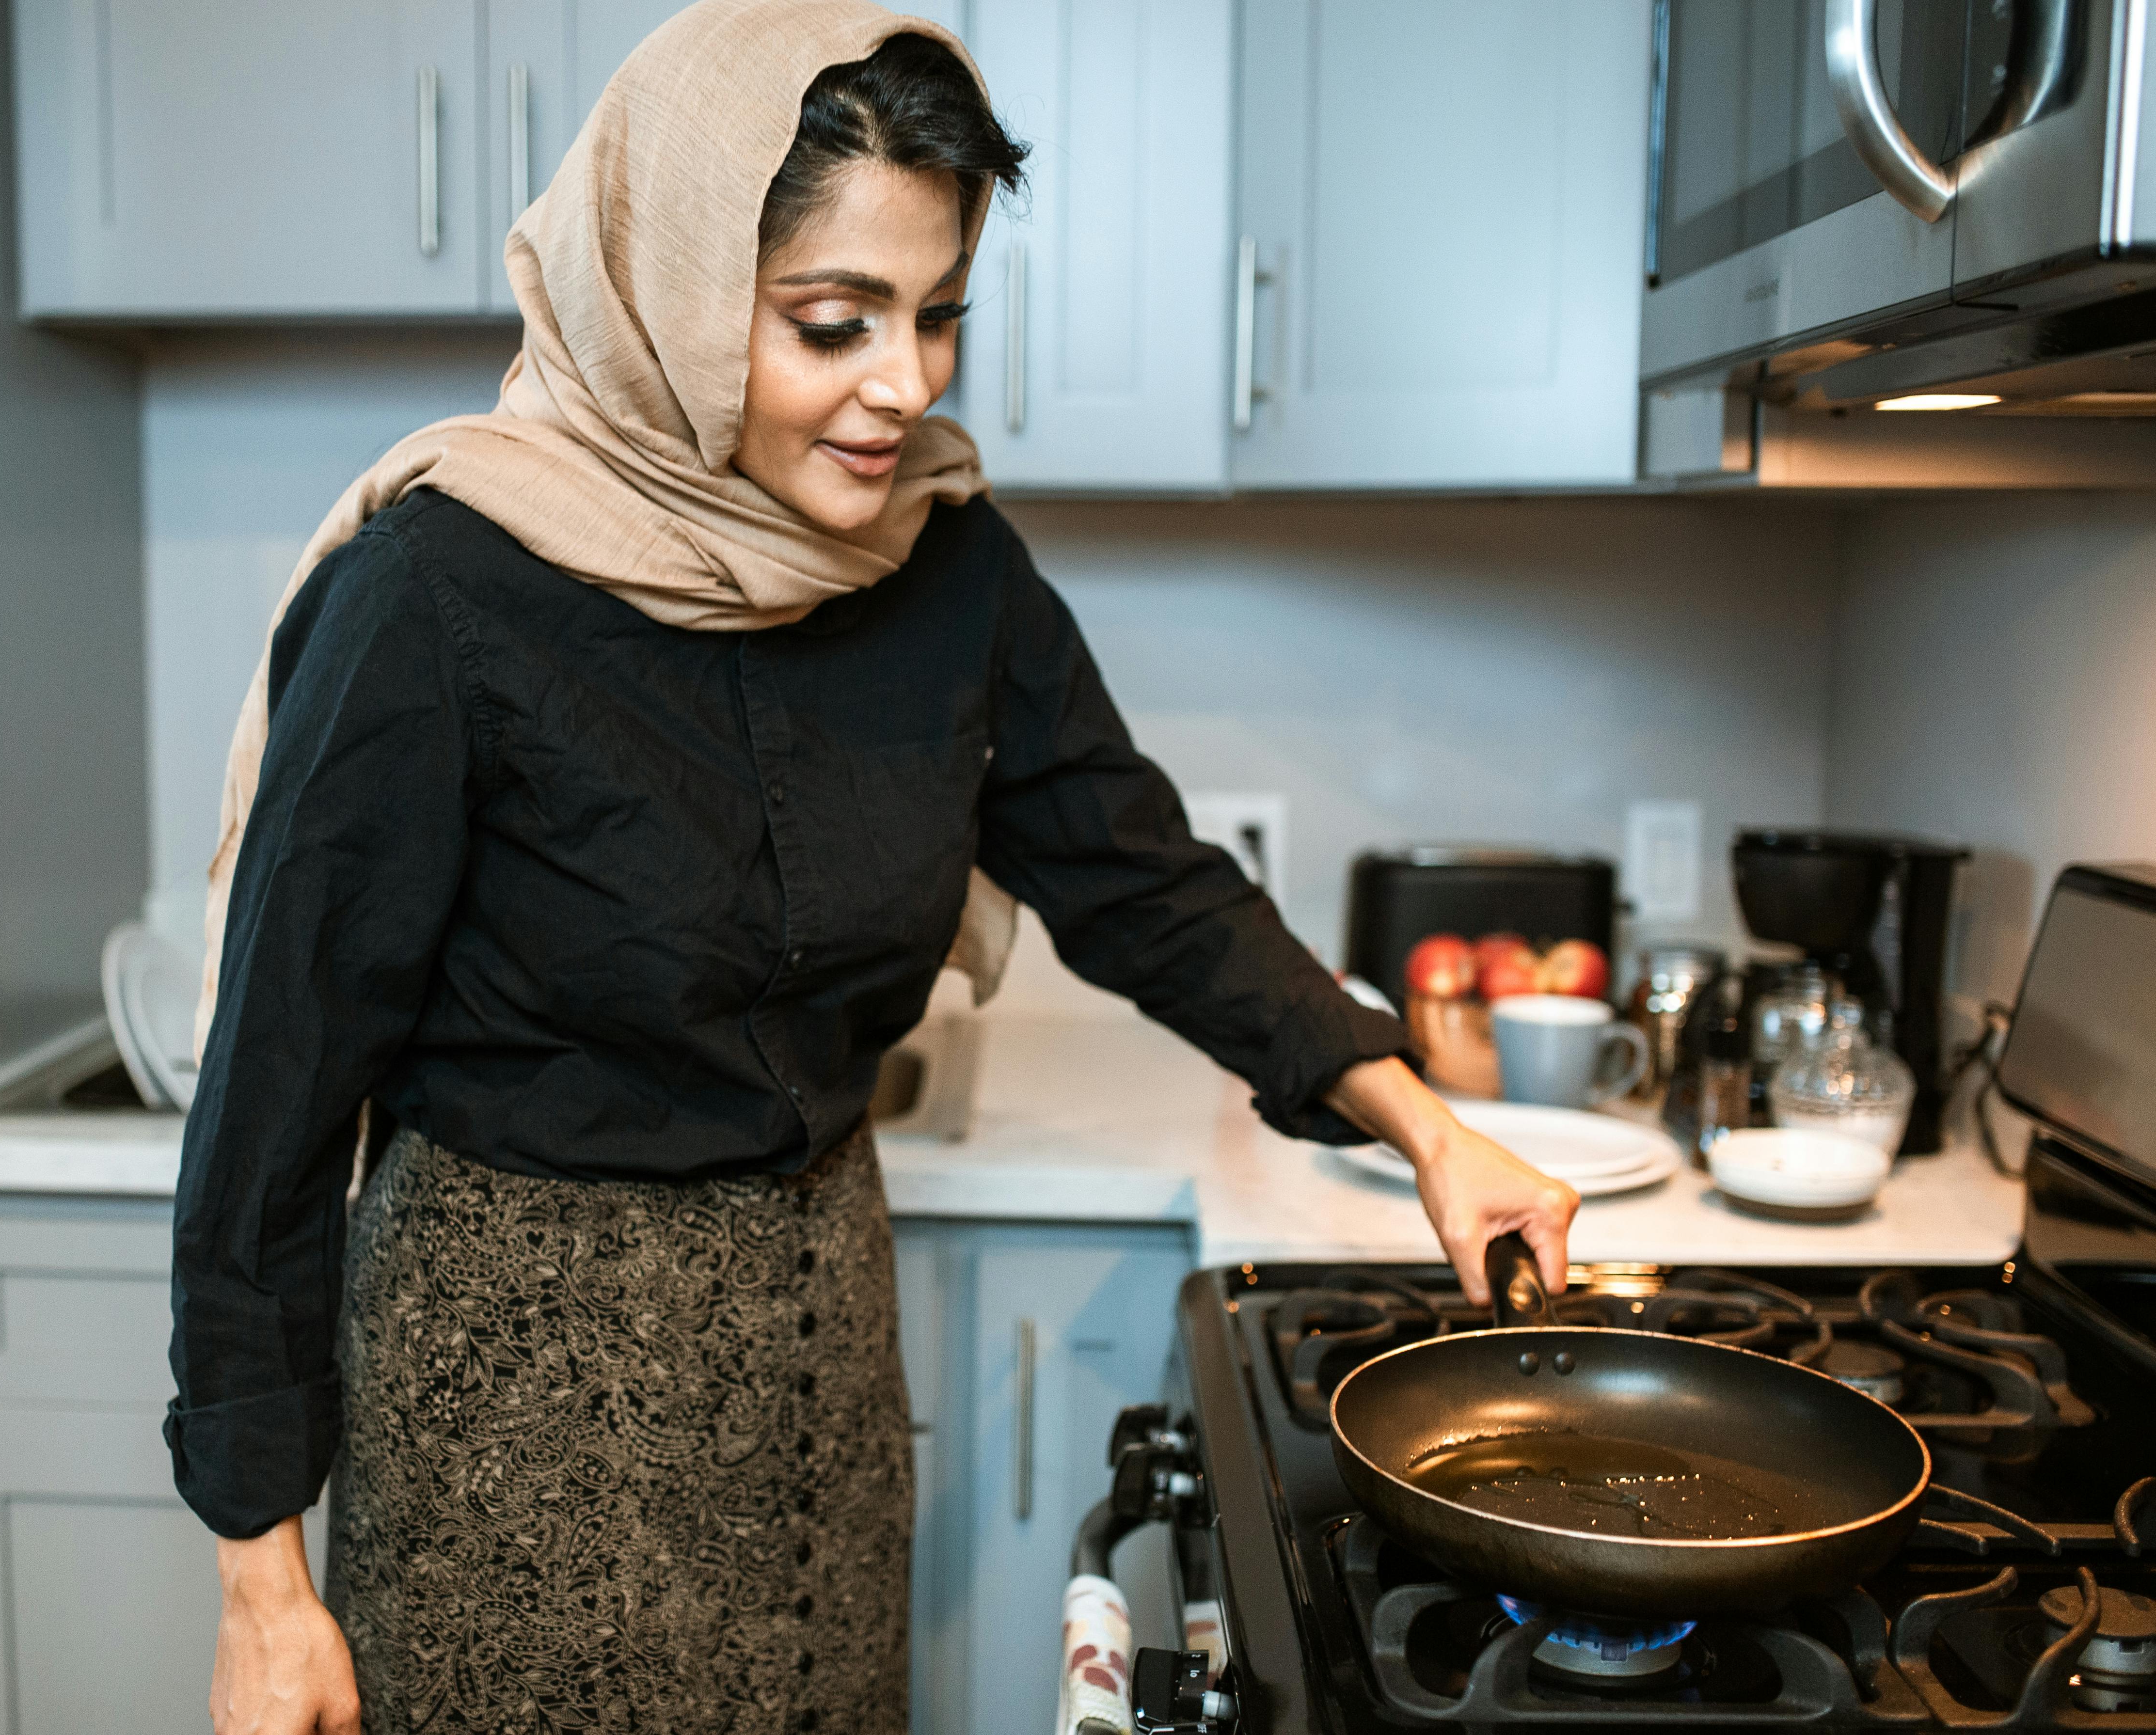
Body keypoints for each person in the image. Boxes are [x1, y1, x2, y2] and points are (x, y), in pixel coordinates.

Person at [166, 3, 1580, 1729]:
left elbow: (1141, 878)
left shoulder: (948, 567)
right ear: (674, 296)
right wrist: (262, 1582)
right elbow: (270, 1107)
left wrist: (1428, 1129)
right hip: (509, 1408)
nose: (900, 386)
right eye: (830, 324)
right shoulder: (439, 595)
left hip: (819, 1363)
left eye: (935, 317)